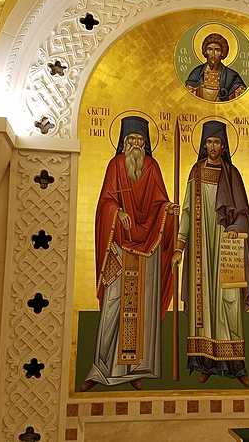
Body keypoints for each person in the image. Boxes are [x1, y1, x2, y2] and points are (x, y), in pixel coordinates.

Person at [80, 116, 178, 391]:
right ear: (123, 143)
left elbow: (160, 202)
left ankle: (135, 369)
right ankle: (99, 369)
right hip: (118, 247)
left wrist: (168, 211)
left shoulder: (152, 167)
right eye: (131, 140)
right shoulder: (115, 166)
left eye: (140, 141)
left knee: (141, 309)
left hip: (145, 251)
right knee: (113, 305)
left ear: (146, 145)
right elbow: (105, 203)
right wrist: (117, 212)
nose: (135, 145)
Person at [172, 120, 249, 386]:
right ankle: (205, 361)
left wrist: (236, 227)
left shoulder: (233, 174)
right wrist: (180, 246)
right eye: (209, 142)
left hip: (227, 247)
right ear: (203, 145)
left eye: (217, 142)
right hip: (200, 250)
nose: (213, 146)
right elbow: (186, 210)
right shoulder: (196, 172)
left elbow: (244, 214)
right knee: (203, 303)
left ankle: (236, 366)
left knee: (229, 303)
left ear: (224, 145)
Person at [185, 33, 246, 102]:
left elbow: (241, 100)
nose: (213, 54)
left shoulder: (232, 76)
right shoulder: (196, 73)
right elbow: (188, 98)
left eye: (217, 50)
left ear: (223, 53)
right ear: (205, 52)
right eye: (210, 49)